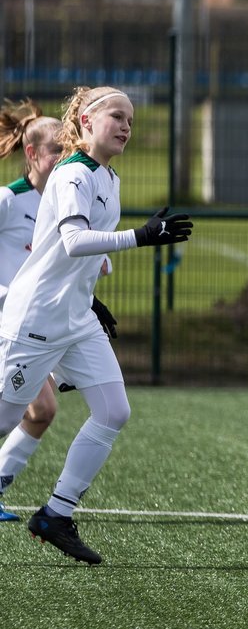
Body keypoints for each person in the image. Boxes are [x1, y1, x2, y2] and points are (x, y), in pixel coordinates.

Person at [0, 86, 192, 564]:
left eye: (130, 119)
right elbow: (72, 242)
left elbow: (80, 257)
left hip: (75, 316)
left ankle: (55, 514)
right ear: (86, 121)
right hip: (37, 318)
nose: (127, 126)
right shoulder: (71, 174)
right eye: (117, 117)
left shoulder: (108, 176)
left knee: (113, 411)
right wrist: (142, 236)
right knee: (4, 419)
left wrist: (92, 298)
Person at [0, 100, 67, 522]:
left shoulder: (63, 200)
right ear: (33, 154)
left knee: (42, 411)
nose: (64, 158)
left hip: (34, 325)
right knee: (38, 407)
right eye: (56, 150)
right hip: (6, 323)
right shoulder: (8, 200)